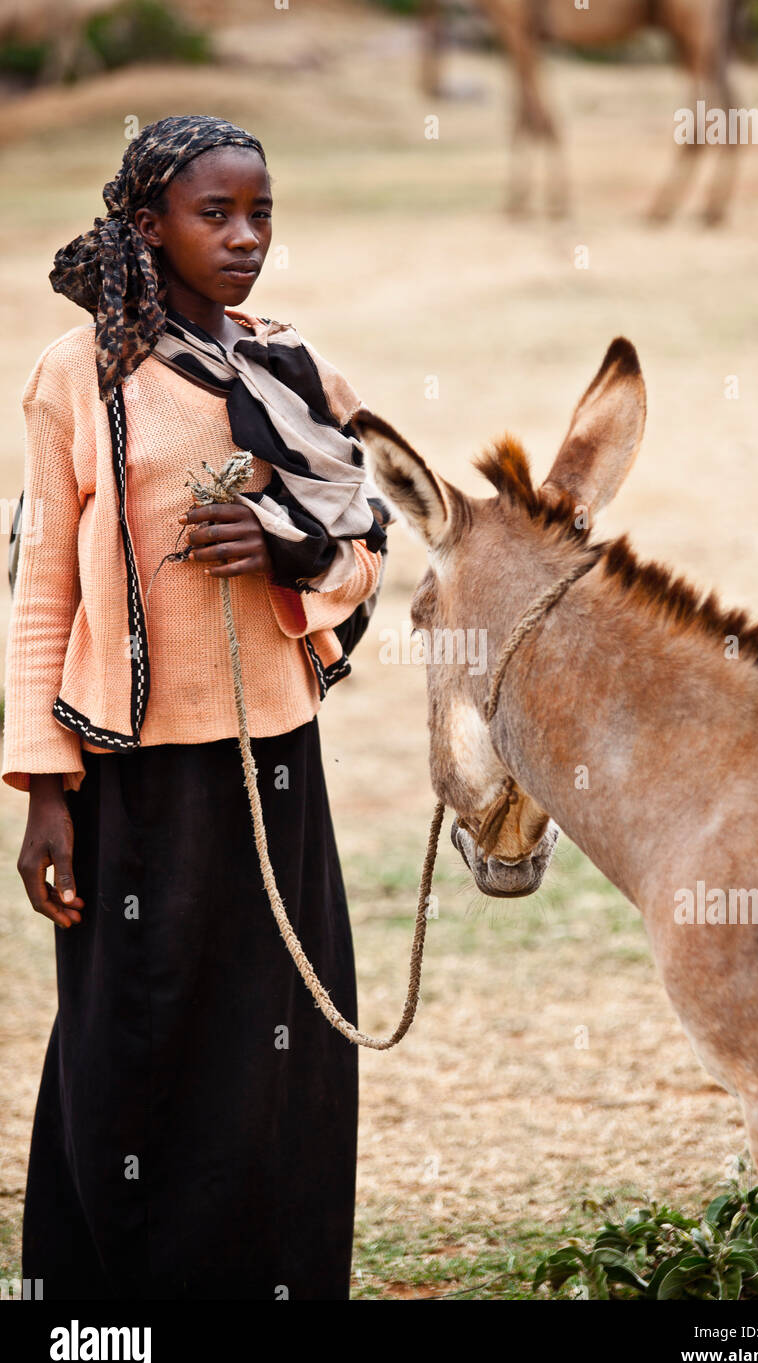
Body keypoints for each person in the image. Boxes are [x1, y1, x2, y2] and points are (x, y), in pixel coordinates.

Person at [1, 114, 391, 1301]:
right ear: (145, 224)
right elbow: (42, 584)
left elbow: (366, 549)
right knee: (132, 1046)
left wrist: (283, 547)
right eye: (213, 213)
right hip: (132, 770)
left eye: (258, 211)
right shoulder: (79, 376)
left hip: (275, 762)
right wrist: (43, 789)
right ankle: (114, 1306)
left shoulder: (295, 370)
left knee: (279, 1052)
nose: (244, 237)